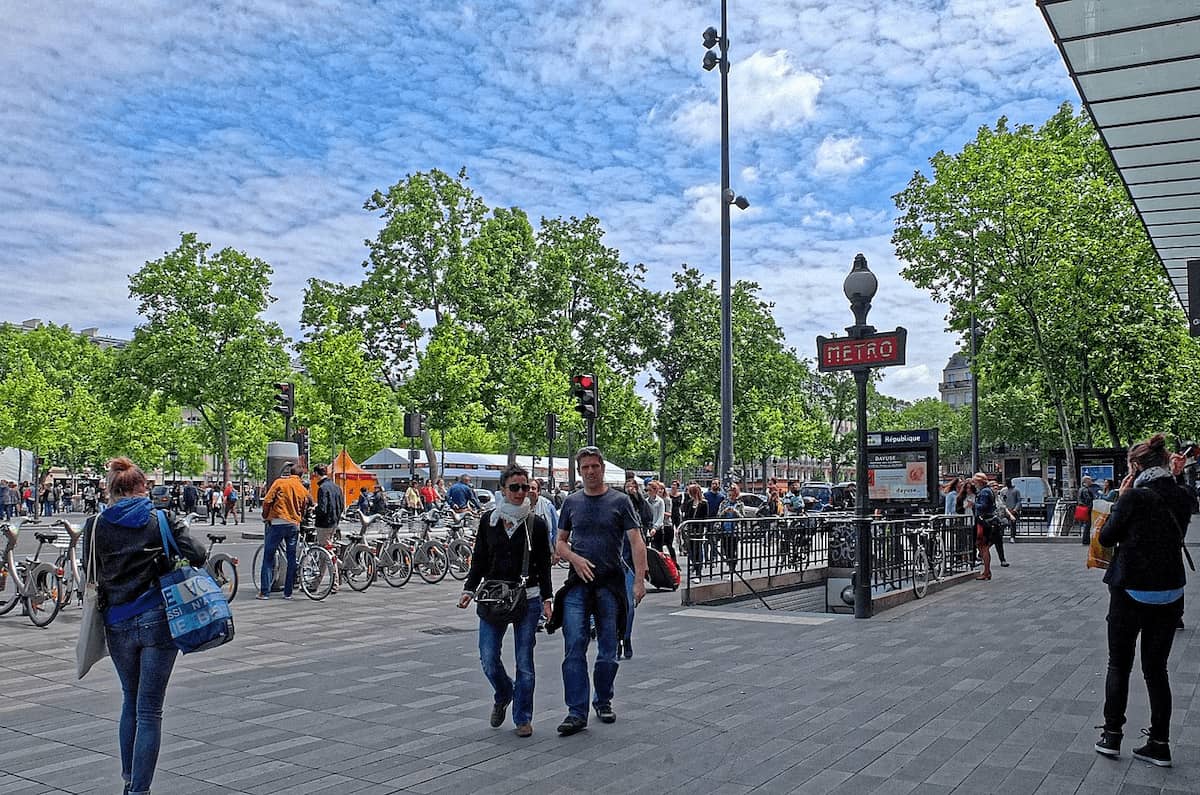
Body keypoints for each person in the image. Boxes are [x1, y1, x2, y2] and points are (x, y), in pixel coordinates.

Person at [82, 457, 206, 795]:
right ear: (140, 488)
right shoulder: (160, 519)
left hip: (117, 622)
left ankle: (128, 779)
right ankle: (139, 790)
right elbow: (198, 554)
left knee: (130, 700)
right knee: (150, 708)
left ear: (111, 489)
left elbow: (88, 570)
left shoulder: (95, 525)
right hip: (158, 618)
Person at [1094, 435, 1191, 767]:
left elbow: (1106, 537)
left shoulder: (1133, 497)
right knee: (1156, 670)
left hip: (1131, 590)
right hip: (1170, 592)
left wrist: (1120, 498)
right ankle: (1159, 744)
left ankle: (1111, 735)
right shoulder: (1181, 495)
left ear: (1134, 467)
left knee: (1119, 665)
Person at [549, 446, 647, 736]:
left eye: (594, 466)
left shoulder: (620, 501)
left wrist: (639, 581)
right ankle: (576, 711)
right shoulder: (571, 502)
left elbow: (636, 542)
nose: (590, 472)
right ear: (580, 472)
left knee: (607, 650)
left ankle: (603, 699)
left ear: (602, 468)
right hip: (578, 583)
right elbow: (560, 543)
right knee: (574, 644)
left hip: (609, 583)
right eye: (585, 468)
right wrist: (575, 559)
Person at [458, 464, 553, 738]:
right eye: (514, 487)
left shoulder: (536, 523)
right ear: (502, 489)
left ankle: (523, 717)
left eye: (524, 487)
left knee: (525, 660)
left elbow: (544, 566)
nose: (520, 492)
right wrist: (468, 589)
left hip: (528, 597)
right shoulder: (489, 520)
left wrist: (547, 598)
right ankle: (504, 692)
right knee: (488, 657)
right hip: (493, 597)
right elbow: (479, 559)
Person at [258, 462, 310, 600]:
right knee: (291, 557)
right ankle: (288, 592)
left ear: (289, 472)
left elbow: (267, 500)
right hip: (294, 524)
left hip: (277, 522)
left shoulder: (280, 482)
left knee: (268, 557)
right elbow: (305, 505)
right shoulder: (302, 488)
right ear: (301, 475)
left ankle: (265, 592)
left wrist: (265, 516)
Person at [681, 483, 709, 581]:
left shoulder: (704, 503)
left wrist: (704, 528)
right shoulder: (689, 503)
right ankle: (694, 564)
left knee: (698, 550)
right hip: (690, 530)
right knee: (690, 550)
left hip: (699, 529)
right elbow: (686, 515)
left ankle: (698, 572)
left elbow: (705, 517)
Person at [715, 482, 745, 573]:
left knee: (733, 549)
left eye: (733, 494)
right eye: (730, 494)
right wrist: (724, 511)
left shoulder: (740, 504)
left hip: (734, 531)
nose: (731, 496)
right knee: (725, 549)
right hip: (724, 529)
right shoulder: (724, 503)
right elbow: (719, 515)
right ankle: (729, 563)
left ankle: (732, 567)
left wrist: (735, 512)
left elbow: (742, 517)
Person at [973, 473, 998, 580]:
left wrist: (973, 504)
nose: (974, 484)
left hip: (984, 522)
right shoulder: (989, 490)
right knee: (983, 546)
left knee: (983, 547)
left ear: (980, 482)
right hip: (990, 520)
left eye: (975, 482)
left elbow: (983, 506)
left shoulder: (984, 492)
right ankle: (987, 571)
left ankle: (987, 571)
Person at [313, 464, 344, 548]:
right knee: (330, 546)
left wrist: (314, 509)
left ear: (316, 473)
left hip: (324, 523)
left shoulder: (322, 488)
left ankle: (326, 561)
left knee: (323, 549)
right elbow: (342, 506)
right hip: (334, 522)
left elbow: (323, 509)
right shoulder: (337, 487)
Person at [1078, 475, 1096, 544]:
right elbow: (1088, 499)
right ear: (1086, 481)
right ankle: (1086, 540)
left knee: (1086, 524)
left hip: (1082, 508)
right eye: (1090, 480)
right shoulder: (1085, 489)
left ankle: (1085, 539)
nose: (1091, 482)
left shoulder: (1081, 489)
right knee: (1087, 525)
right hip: (1086, 508)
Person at [1003, 478, 1021, 545]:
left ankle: (1012, 536)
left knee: (1013, 523)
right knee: (1004, 522)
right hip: (1006, 510)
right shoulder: (1004, 491)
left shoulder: (1016, 490)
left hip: (1013, 510)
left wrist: (1015, 509)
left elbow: (1019, 501)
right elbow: (1003, 500)